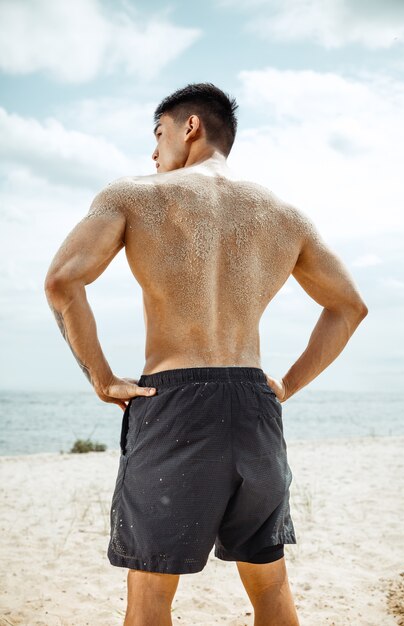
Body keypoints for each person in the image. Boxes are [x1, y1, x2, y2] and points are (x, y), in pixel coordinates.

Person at [44, 82, 368, 626]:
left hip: (174, 405)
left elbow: (62, 281)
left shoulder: (133, 195)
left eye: (159, 133)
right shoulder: (284, 214)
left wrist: (101, 378)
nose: (153, 152)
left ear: (189, 126)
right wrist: (285, 383)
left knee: (150, 593)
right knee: (269, 584)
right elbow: (349, 307)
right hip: (254, 403)